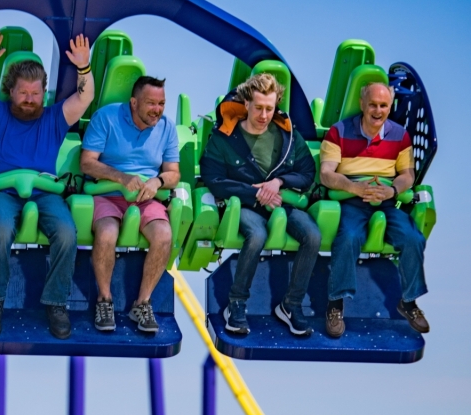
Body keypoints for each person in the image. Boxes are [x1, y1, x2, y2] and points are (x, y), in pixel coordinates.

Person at [0, 30, 95, 340]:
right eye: (23, 93)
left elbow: (84, 97)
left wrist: (84, 68)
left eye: (36, 94)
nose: (30, 100)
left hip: (44, 193)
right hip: (4, 192)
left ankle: (56, 303)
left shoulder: (53, 118)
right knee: (1, 229)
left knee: (65, 233)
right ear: (11, 91)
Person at [199, 73, 320, 337]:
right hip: (244, 205)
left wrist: (277, 182)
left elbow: (307, 173)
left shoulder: (289, 137)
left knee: (312, 235)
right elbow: (213, 178)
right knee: (257, 236)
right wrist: (253, 193)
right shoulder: (223, 138)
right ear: (246, 104)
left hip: (281, 202)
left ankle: (291, 306)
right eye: (259, 108)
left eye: (270, 108)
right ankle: (236, 304)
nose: (264, 115)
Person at [320, 81, 428, 337]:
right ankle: (335, 305)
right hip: (352, 197)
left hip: (386, 198)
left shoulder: (400, 135)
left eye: (383, 105)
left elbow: (407, 176)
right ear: (362, 104)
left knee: (413, 238)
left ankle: (409, 302)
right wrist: (354, 188)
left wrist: (391, 191)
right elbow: (326, 174)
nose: (378, 111)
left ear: (390, 107)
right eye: (373, 105)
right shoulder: (339, 132)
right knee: (348, 238)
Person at [80, 76, 181, 333]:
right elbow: (87, 163)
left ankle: (142, 303)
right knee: (107, 233)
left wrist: (157, 182)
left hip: (146, 197)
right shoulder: (106, 117)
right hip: (109, 192)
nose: (157, 109)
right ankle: (104, 300)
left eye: (161, 103)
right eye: (150, 103)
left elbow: (173, 173)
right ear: (134, 102)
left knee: (163, 235)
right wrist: (121, 178)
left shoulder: (167, 127)